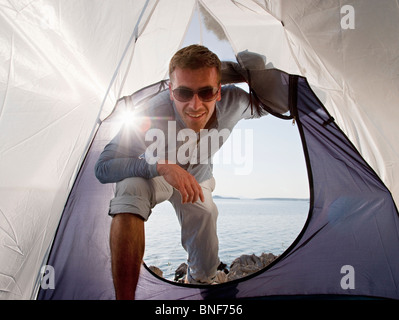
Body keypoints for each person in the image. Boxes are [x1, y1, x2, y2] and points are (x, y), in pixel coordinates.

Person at [95, 44, 262, 300]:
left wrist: (235, 71)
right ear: (171, 92)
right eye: (184, 92)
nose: (195, 105)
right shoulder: (150, 112)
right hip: (157, 175)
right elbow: (103, 166)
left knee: (206, 216)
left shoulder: (234, 102)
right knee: (130, 188)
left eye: (206, 92)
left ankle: (201, 280)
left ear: (219, 92)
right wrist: (160, 165)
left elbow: (274, 100)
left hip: (198, 178)